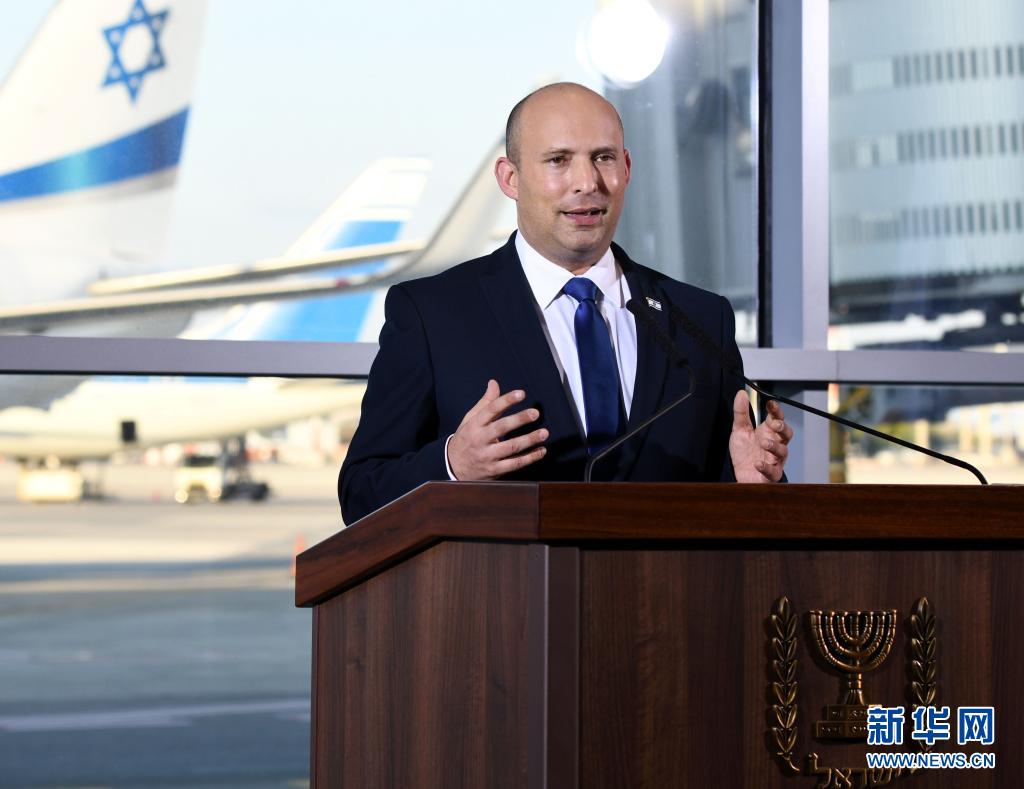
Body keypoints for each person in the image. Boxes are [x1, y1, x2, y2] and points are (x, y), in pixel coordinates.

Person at [338, 82, 791, 524]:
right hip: (504, 576)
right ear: (510, 178)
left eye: (603, 158)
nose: (587, 182)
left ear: (627, 168)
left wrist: (750, 485)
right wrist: (453, 464)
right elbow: (361, 491)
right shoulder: (432, 314)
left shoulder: (699, 320)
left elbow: (734, 490)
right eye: (558, 160)